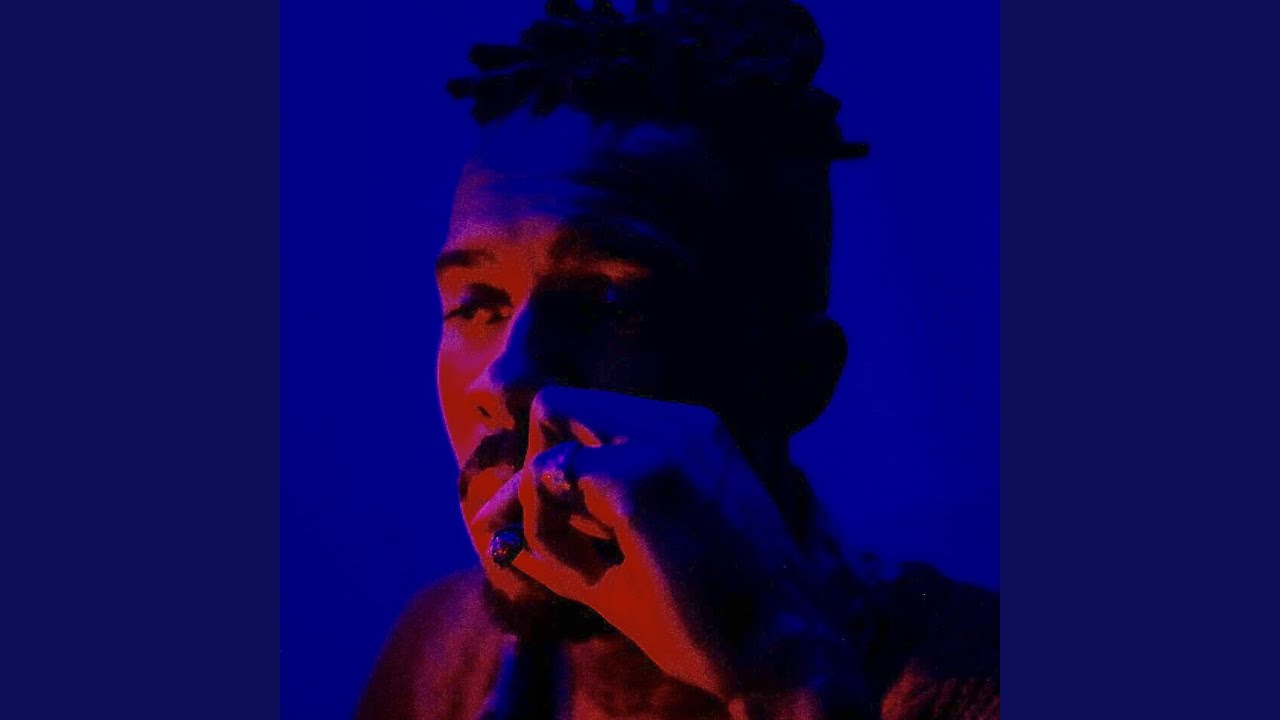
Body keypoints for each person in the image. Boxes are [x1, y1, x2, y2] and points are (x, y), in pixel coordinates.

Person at [358, 1, 997, 717]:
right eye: (477, 304)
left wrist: (786, 676)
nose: (504, 377)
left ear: (796, 378)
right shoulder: (439, 654)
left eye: (612, 305)